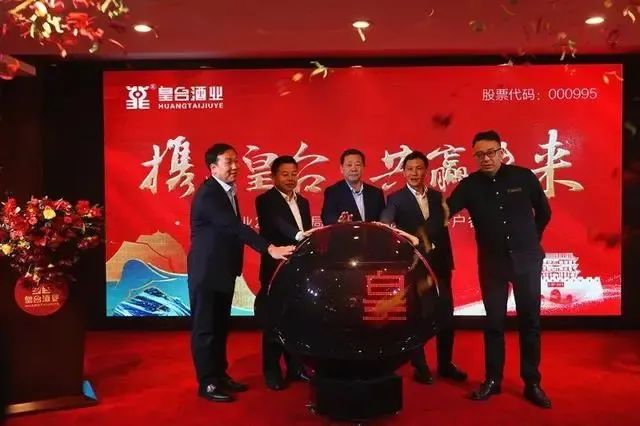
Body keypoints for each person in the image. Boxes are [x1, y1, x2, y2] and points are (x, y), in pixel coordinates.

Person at [447, 130, 552, 408]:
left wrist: (531, 240)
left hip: (527, 261)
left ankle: (532, 383)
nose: (486, 158)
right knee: (493, 324)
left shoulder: (523, 177)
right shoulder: (469, 186)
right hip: (493, 264)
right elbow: (446, 211)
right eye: (480, 154)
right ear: (475, 157)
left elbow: (544, 212)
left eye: (491, 152)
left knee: (530, 322)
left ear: (501, 152)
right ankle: (493, 380)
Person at [188, 143, 294, 403]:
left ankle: (220, 375)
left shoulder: (227, 190)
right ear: (213, 168)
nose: (235, 166)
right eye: (229, 162)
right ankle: (208, 383)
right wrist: (269, 248)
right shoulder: (210, 194)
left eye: (236, 161)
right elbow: (234, 227)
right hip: (206, 272)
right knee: (206, 329)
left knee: (220, 327)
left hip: (223, 271)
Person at [380, 151, 467, 385]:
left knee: (446, 315)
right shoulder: (395, 198)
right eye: (410, 169)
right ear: (403, 172)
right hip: (416, 265)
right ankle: (420, 366)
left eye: (419, 168)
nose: (414, 173)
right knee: (418, 316)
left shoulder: (437, 196)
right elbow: (387, 221)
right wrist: (390, 229)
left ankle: (445, 364)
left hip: (440, 264)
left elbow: (440, 224)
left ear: (425, 171)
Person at [255, 156, 313, 390]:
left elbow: (307, 233)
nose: (290, 178)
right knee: (273, 323)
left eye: (293, 173)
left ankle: (295, 368)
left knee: (296, 321)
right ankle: (272, 371)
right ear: (274, 176)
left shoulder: (304, 202)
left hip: (298, 271)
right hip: (275, 271)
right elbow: (278, 224)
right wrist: (298, 235)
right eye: (285, 174)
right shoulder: (265, 200)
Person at [321, 149, 385, 224]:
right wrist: (339, 222)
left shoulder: (376, 193)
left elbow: (383, 222)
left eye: (358, 165)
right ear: (341, 168)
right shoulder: (332, 192)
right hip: (344, 231)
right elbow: (327, 218)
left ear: (363, 168)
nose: (354, 169)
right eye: (349, 165)